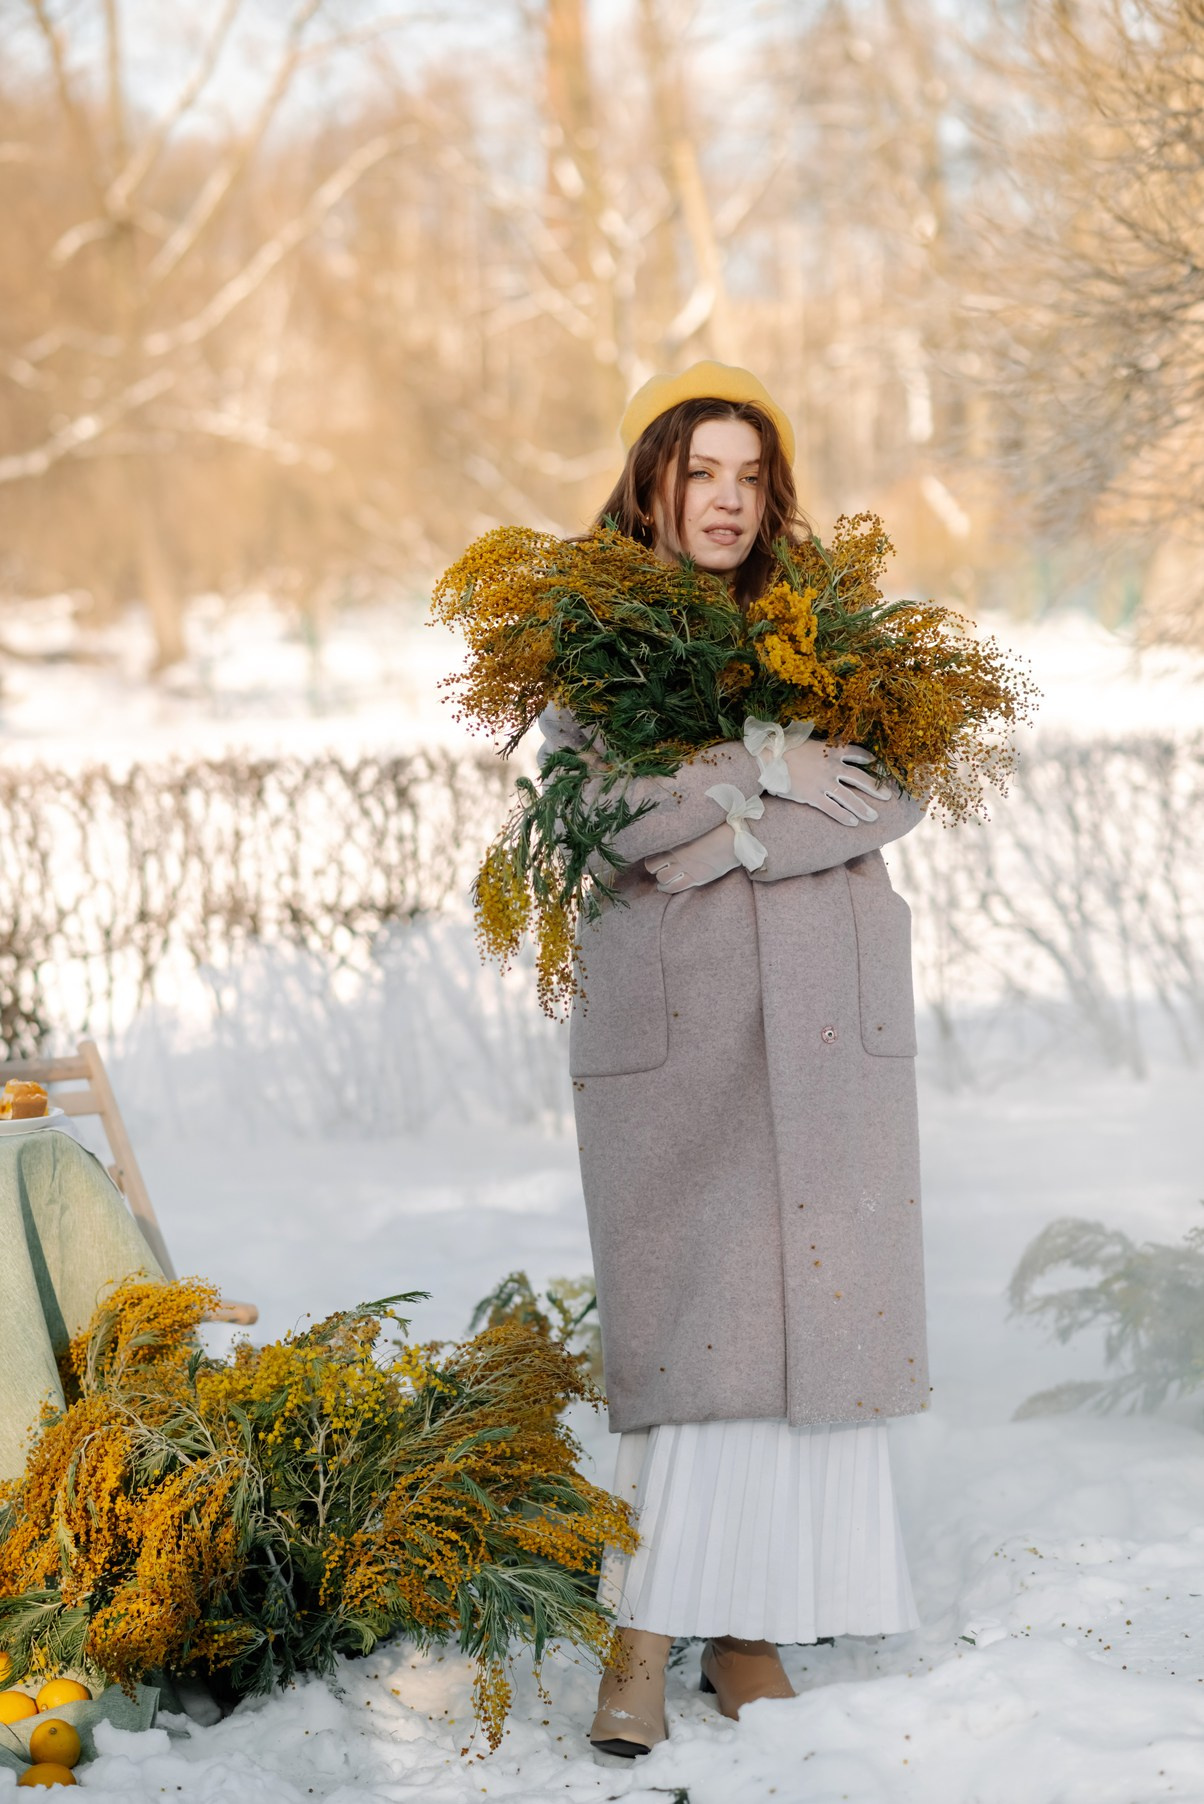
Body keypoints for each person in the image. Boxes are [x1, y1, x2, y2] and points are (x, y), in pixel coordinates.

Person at [536, 361, 929, 1760]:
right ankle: (641, 1630)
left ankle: (752, 1625)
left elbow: (896, 786)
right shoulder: (589, 630)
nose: (727, 500)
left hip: (821, 1017)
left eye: (748, 476)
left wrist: (742, 840)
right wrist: (753, 770)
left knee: (798, 1324)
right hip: (685, 1028)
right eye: (701, 472)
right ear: (654, 478)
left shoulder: (828, 617)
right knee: (694, 1324)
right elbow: (595, 810)